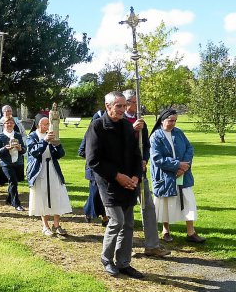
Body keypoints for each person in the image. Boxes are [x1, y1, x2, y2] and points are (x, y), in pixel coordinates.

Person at [86, 91, 144, 279]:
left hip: (129, 182)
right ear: (107, 106)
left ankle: (124, 263)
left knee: (128, 224)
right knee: (117, 221)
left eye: (124, 106)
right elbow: (93, 160)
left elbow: (137, 155)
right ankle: (107, 259)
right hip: (109, 183)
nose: (122, 109)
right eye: (118, 105)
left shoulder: (128, 127)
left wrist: (136, 176)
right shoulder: (97, 127)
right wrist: (117, 176)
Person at [122, 89, 170, 257]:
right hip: (124, 174)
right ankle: (125, 248)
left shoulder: (140, 121)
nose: (137, 105)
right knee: (126, 211)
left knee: (148, 207)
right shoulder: (119, 121)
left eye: (138, 102)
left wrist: (145, 159)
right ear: (127, 103)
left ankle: (152, 245)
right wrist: (132, 130)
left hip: (139, 172)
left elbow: (146, 145)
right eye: (135, 102)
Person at [149, 108, 205, 243]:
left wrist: (185, 166)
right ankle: (166, 231)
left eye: (175, 121)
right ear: (162, 121)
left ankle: (191, 233)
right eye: (170, 121)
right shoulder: (156, 136)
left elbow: (189, 148)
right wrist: (177, 165)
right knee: (165, 202)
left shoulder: (178, 132)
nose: (173, 123)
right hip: (165, 176)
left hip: (183, 175)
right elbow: (157, 158)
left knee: (188, 200)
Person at [27, 114, 72, 236]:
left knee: (57, 194)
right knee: (43, 197)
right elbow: (34, 152)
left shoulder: (52, 135)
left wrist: (57, 144)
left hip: (53, 168)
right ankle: (45, 226)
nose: (48, 126)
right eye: (45, 124)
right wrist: (45, 141)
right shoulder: (32, 136)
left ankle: (56, 224)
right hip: (40, 170)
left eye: (48, 124)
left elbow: (60, 154)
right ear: (38, 125)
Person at [78, 110, 109, 227]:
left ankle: (102, 215)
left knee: (103, 193)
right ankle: (92, 212)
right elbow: (81, 151)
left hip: (105, 169)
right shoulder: (90, 133)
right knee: (95, 194)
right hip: (93, 169)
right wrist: (94, 156)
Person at [0, 105, 27, 196]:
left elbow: (23, 134)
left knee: (14, 179)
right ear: (3, 112)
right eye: (6, 111)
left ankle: (10, 197)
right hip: (5, 154)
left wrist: (21, 144)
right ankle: (15, 200)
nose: (8, 113)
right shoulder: (0, 124)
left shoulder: (17, 122)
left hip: (17, 153)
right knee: (10, 178)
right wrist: (6, 145)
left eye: (10, 111)